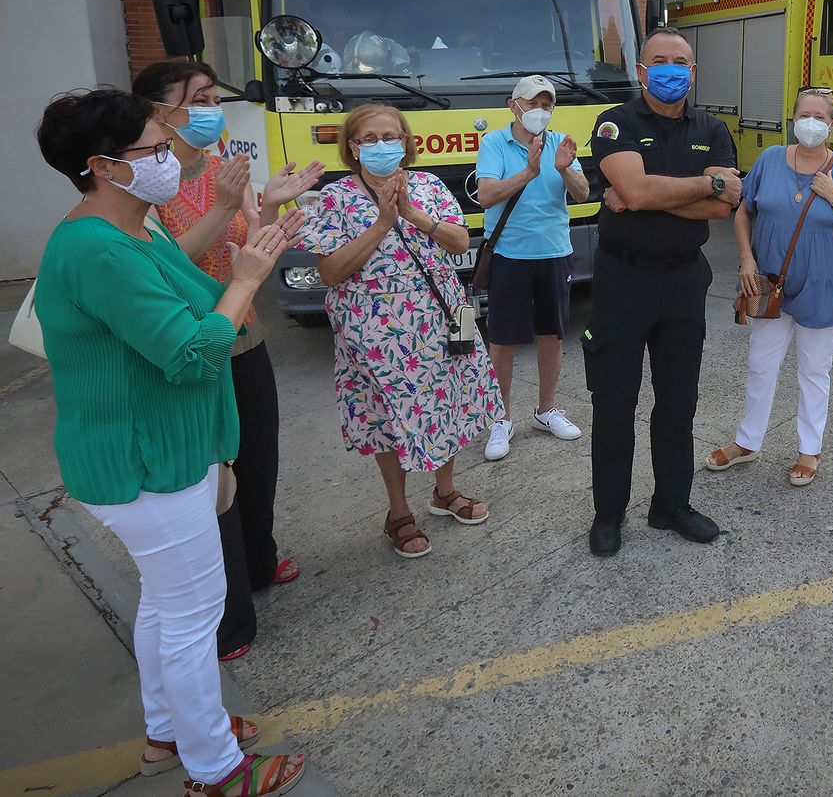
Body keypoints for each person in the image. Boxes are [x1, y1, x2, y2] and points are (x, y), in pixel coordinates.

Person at [33, 88, 307, 795]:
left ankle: (170, 732)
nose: (169, 159)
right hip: (142, 461)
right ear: (101, 165)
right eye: (154, 149)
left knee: (166, 603)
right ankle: (216, 769)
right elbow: (189, 350)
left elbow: (182, 276)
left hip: (167, 450)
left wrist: (252, 241)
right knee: (194, 615)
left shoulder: (132, 226)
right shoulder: (95, 248)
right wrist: (247, 280)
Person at [134, 60, 324, 662]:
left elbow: (250, 237)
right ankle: (229, 612)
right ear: (158, 112)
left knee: (259, 452)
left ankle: (261, 561)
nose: (214, 108)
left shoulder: (224, 167)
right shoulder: (145, 181)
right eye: (200, 98)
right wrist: (222, 210)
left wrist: (271, 210)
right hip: (188, 337)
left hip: (244, 329)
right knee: (217, 474)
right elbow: (163, 266)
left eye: (216, 96)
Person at [297, 103, 502, 559]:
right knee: (388, 418)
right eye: (368, 139)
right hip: (376, 334)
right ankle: (398, 512)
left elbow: (460, 242)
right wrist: (383, 224)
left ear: (406, 141)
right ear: (352, 147)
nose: (380, 145)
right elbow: (331, 272)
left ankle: (445, 492)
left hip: (445, 315)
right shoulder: (336, 198)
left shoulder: (428, 185)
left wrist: (412, 215)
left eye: (390, 136)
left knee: (447, 403)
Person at [585, 27, 741, 556]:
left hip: (683, 280)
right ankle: (609, 512)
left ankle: (670, 505)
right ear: (643, 70)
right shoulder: (614, 123)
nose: (673, 69)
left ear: (693, 72)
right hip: (622, 281)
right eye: (661, 60)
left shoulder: (713, 128)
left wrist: (649, 194)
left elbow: (725, 205)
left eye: (682, 61)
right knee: (614, 404)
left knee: (678, 403)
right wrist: (700, 184)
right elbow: (637, 189)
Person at [707, 89, 833, 485]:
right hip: (769, 282)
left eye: (820, 117)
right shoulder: (768, 160)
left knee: (814, 371)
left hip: (823, 286)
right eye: (805, 115)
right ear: (793, 119)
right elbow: (743, 213)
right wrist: (746, 258)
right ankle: (747, 442)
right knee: (760, 365)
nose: (811, 123)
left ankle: (809, 450)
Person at [474, 75, 591, 460]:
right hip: (509, 254)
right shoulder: (494, 142)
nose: (540, 110)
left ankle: (546, 410)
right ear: (514, 105)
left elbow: (584, 193)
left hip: (554, 253)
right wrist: (528, 170)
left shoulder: (560, 142)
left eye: (547, 104)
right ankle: (501, 418)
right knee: (503, 339)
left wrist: (562, 168)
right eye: (533, 102)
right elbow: (486, 195)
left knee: (552, 335)